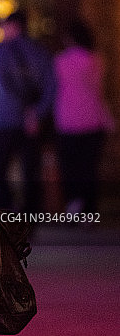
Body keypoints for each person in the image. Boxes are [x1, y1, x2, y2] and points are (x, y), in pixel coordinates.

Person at [0, 9, 55, 213]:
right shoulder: (39, 51)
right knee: (30, 170)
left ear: (14, 26)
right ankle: (30, 213)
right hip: (31, 122)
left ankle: (5, 210)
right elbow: (50, 87)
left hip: (3, 119)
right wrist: (36, 113)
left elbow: (0, 88)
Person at [54, 19, 114, 214]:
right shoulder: (96, 60)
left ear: (69, 38)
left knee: (70, 166)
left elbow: (55, 89)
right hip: (93, 118)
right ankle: (89, 210)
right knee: (89, 168)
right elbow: (99, 91)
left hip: (67, 119)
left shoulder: (60, 61)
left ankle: (73, 204)